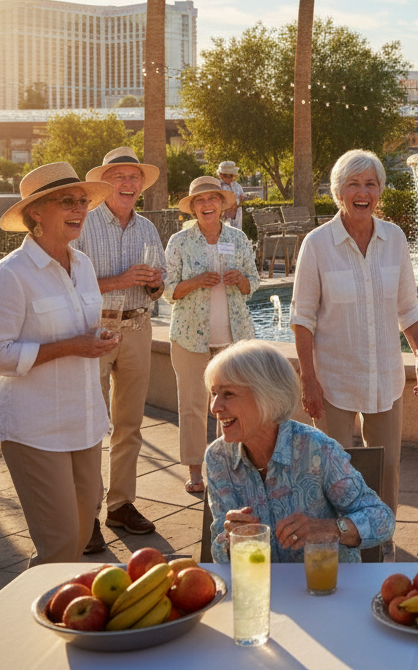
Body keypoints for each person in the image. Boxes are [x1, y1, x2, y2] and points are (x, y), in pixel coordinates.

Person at [290, 149, 418, 516]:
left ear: (380, 191)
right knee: (332, 470)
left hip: (385, 375)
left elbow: (407, 305)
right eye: (353, 184)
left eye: (371, 184)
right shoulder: (317, 244)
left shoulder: (394, 238)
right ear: (338, 191)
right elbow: (302, 318)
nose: (363, 192)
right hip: (332, 379)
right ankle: (335, 536)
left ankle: (381, 535)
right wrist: (308, 379)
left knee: (387, 468)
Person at [0, 162, 120, 564]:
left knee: (81, 536)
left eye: (83, 201)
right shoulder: (11, 274)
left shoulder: (83, 264)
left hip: (85, 421)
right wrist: (71, 346)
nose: (80, 209)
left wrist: (99, 337)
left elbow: (82, 329)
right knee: (60, 545)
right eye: (68, 201)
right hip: (35, 428)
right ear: (36, 212)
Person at [205, 340, 395, 562]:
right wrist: (230, 540)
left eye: (228, 393)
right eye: (213, 393)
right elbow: (218, 549)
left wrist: (331, 528)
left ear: (266, 396)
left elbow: (382, 519)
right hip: (261, 581)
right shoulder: (218, 458)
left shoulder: (317, 450)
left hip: (327, 581)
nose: (215, 407)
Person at [73, 147, 165, 552]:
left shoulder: (148, 228)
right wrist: (121, 279)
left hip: (139, 326)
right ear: (103, 183)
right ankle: (87, 515)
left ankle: (120, 504)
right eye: (119, 177)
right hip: (95, 329)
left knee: (130, 424)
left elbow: (160, 285)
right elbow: (72, 285)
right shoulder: (83, 225)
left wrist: (154, 284)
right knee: (92, 424)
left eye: (134, 177)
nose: (128, 184)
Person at [164, 176, 259, 494]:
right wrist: (195, 281)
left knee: (233, 406)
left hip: (233, 337)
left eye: (212, 199)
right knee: (192, 404)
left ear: (221, 204)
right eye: (200, 200)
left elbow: (253, 282)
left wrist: (241, 280)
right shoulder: (179, 241)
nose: (207, 205)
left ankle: (229, 467)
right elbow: (167, 290)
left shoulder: (238, 238)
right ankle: (194, 470)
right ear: (193, 207)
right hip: (189, 337)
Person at [217, 161, 245, 231]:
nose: (230, 178)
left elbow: (242, 199)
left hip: (237, 218)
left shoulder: (237, 186)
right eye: (227, 176)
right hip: (223, 218)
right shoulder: (218, 186)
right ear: (220, 175)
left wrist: (243, 199)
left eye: (232, 176)